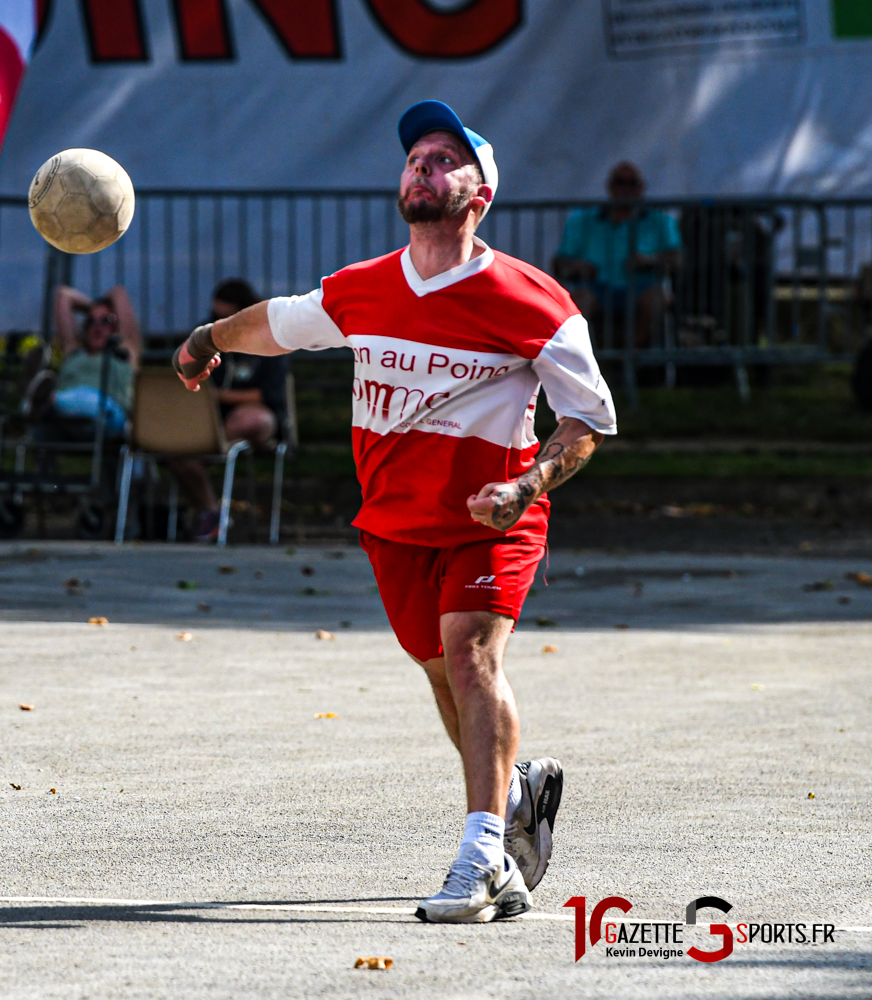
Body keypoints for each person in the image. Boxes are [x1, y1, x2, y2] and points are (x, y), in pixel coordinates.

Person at [172, 101, 616, 923]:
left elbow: (587, 421)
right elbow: (280, 324)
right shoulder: (366, 288)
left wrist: (525, 489)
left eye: (445, 157)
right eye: (416, 155)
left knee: (470, 654)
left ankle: (482, 857)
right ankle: (517, 791)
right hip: (394, 523)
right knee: (445, 674)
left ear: (480, 194)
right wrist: (208, 338)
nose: (423, 165)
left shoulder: (534, 301)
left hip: (495, 517)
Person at [168, 278, 288, 540]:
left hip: (251, 420)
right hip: (210, 418)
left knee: (251, 419)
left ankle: (212, 446)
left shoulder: (269, 340)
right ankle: (211, 511)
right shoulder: (206, 336)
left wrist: (218, 396)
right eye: (215, 317)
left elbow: (264, 395)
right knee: (175, 448)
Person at [552, 161, 681, 348]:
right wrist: (576, 266)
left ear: (641, 188)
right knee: (576, 303)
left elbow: (677, 257)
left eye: (632, 183)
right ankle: (587, 360)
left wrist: (651, 261)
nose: (625, 189)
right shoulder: (583, 221)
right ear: (610, 186)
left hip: (642, 286)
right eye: (620, 182)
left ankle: (628, 357)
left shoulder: (660, 221)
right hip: (597, 287)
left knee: (657, 299)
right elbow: (559, 261)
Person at [48, 285, 141, 437]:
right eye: (90, 321)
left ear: (116, 326)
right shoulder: (73, 352)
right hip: (64, 416)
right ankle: (47, 403)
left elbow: (118, 293)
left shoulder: (126, 351)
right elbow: (63, 296)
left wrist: (95, 307)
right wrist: (96, 309)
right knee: (44, 417)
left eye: (106, 320)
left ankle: (46, 402)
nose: (97, 327)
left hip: (106, 411)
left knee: (84, 402)